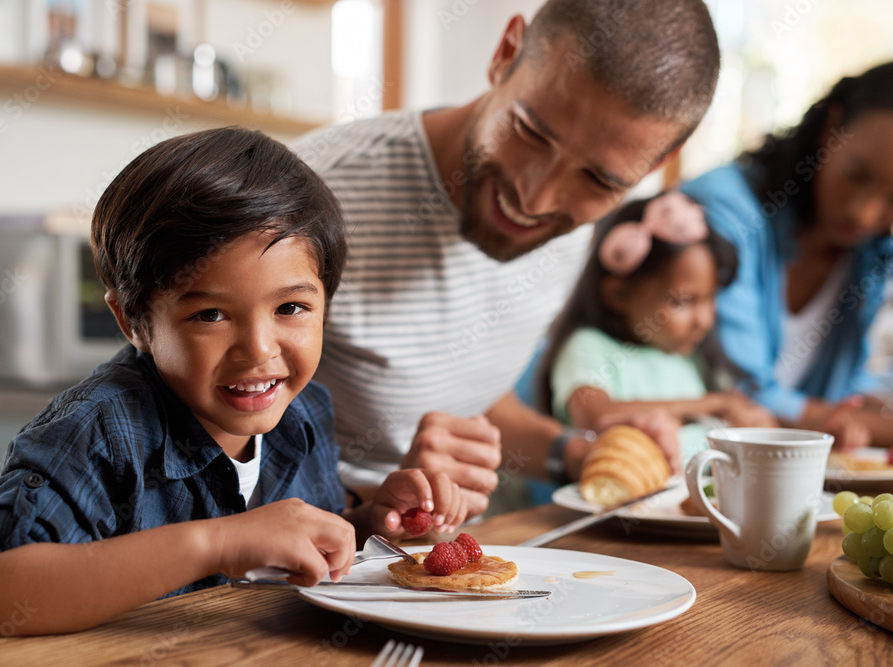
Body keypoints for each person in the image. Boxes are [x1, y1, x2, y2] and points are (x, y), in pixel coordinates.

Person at [0, 128, 465, 646]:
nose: (259, 350)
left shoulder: (305, 413)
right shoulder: (100, 432)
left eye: (291, 308)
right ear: (133, 321)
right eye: (210, 315)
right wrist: (216, 543)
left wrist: (369, 522)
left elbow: (289, 544)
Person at [293, 0, 721, 514]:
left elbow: (471, 394)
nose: (534, 200)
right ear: (505, 54)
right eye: (531, 133)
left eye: (599, 179)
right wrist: (371, 498)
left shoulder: (569, 232)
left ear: (657, 163)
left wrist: (582, 453)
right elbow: (195, 456)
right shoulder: (303, 202)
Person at [680, 61, 893, 450]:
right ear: (832, 128)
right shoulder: (722, 210)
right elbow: (748, 395)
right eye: (857, 175)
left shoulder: (874, 255)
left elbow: (856, 393)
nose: (864, 213)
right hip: (647, 479)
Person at [537, 191, 777, 476]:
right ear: (618, 294)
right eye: (682, 301)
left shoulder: (694, 360)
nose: (703, 320)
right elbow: (596, 415)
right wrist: (716, 404)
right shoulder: (589, 346)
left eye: (710, 298)